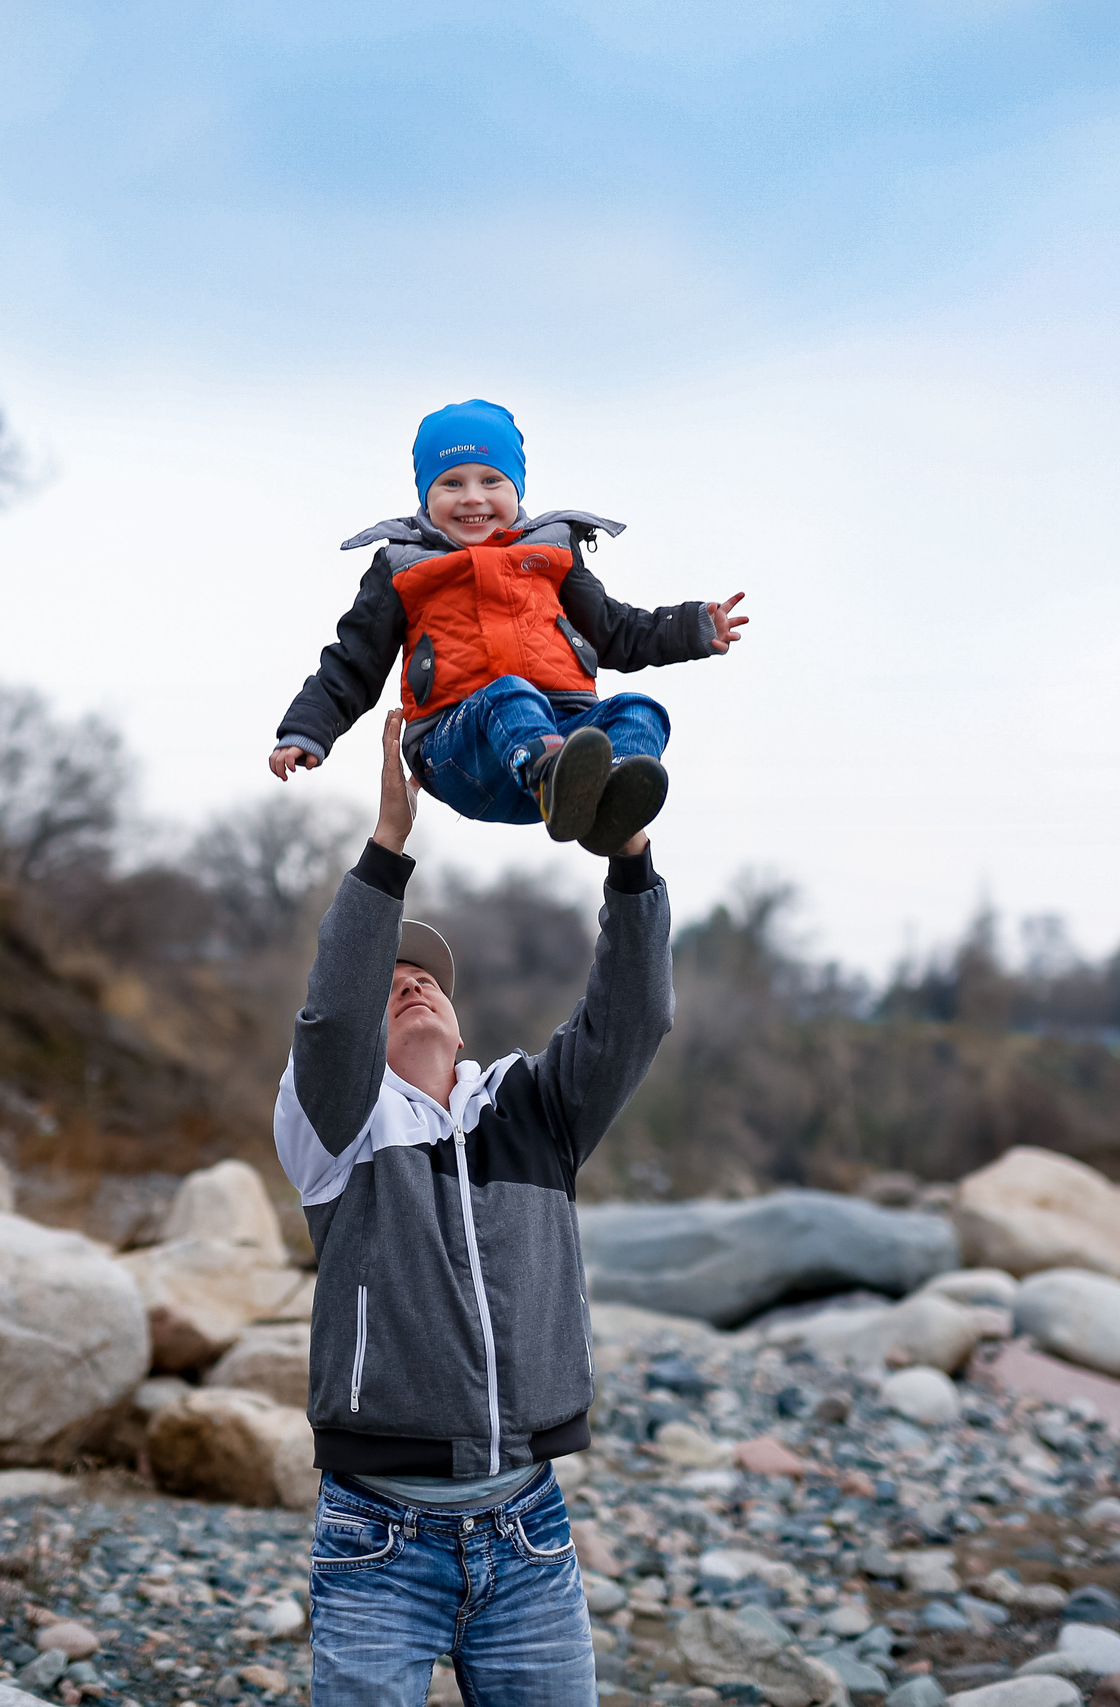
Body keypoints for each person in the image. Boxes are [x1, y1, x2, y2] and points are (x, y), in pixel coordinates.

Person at [272, 709, 675, 1706]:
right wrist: (386, 849)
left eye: (427, 982)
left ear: (460, 1018)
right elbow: (328, 1020)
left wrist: (628, 855)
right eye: (390, 983)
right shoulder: (337, 1133)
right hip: (377, 1545)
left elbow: (634, 1017)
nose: (409, 987)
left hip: (529, 1531)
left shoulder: (535, 1107)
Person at [269, 398, 747, 853]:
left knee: (641, 711)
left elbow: (615, 630)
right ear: (425, 495)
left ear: (516, 487)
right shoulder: (403, 564)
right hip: (459, 748)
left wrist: (692, 628)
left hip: (564, 727)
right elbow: (352, 664)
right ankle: (550, 775)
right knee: (508, 692)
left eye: (491, 481)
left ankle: (607, 792)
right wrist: (306, 731)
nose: (472, 497)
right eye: (451, 484)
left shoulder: (551, 551)